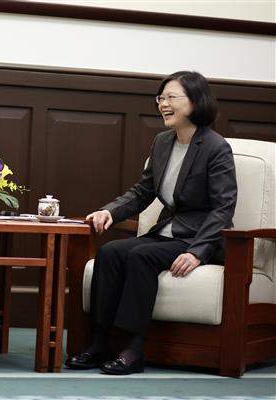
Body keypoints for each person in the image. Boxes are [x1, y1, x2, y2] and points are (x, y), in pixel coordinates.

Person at [65, 71, 237, 375]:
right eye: (161, 98)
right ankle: (100, 342)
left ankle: (134, 349)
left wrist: (197, 252)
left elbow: (223, 207)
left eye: (171, 98)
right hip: (166, 233)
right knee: (110, 252)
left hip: (197, 238)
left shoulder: (215, 147)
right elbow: (143, 191)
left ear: (195, 102)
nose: (163, 105)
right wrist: (110, 212)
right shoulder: (162, 142)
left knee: (140, 256)